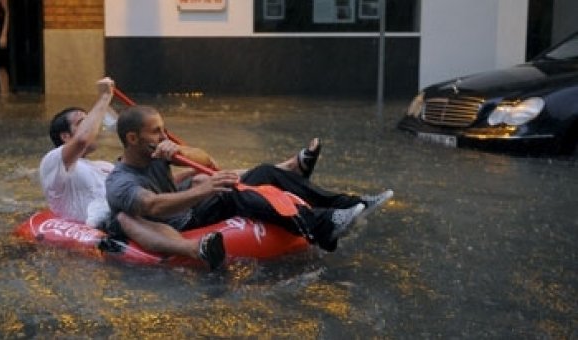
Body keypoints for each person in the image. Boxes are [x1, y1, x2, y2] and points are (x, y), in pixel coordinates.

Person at [39, 77, 321, 270]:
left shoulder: (104, 167)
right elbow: (82, 142)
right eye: (82, 121)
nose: (92, 124)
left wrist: (190, 177)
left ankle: (284, 170)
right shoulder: (53, 164)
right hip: (110, 221)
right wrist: (103, 98)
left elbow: (146, 189)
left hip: (134, 204)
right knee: (125, 216)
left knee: (197, 176)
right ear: (64, 136)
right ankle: (194, 249)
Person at [104, 105, 393, 263]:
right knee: (232, 192)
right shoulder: (120, 181)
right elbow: (152, 205)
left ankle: (346, 202)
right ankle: (323, 225)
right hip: (183, 223)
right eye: (156, 131)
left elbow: (205, 158)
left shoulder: (155, 152)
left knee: (264, 171)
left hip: (195, 204)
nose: (162, 135)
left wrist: (178, 151)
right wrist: (206, 188)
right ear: (132, 138)